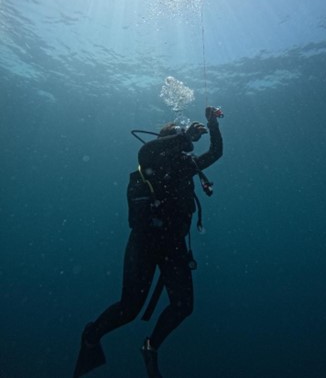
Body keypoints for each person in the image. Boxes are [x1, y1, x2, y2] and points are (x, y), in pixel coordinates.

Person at [73, 106, 223, 378]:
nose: (183, 146)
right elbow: (151, 151)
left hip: (174, 246)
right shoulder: (149, 158)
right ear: (166, 141)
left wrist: (213, 124)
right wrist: (186, 135)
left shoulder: (185, 167)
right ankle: (91, 335)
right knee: (129, 309)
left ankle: (151, 346)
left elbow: (215, 153)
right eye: (176, 139)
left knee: (183, 306)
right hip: (144, 242)